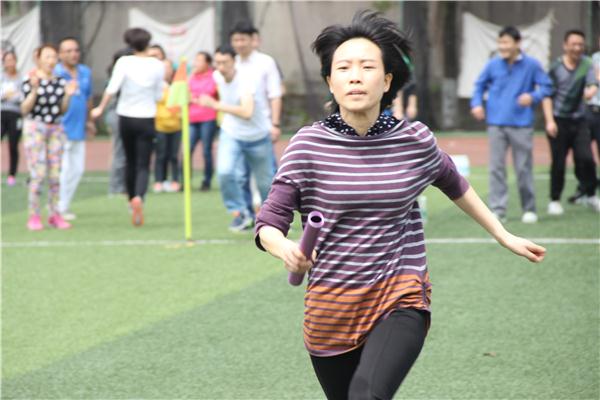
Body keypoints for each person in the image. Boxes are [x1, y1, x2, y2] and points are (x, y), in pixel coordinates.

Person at [254, 11, 546, 400]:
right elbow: (269, 222)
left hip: (399, 295)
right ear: (330, 82)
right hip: (330, 308)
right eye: (343, 68)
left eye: (367, 66)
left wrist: (502, 233)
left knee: (367, 394)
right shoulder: (306, 146)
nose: (355, 76)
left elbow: (454, 183)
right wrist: (285, 249)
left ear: (387, 80)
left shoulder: (414, 140)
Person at [471, 26, 553, 223]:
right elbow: (479, 86)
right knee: (496, 168)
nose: (502, 46)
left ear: (517, 43)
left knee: (523, 167)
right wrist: (476, 104)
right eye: (500, 42)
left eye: (506, 42)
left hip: (521, 124)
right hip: (496, 123)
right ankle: (498, 210)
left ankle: (529, 209)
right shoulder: (492, 65)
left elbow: (547, 86)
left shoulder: (532, 65)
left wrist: (533, 96)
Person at [90, 28, 164, 226]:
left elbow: (112, 88)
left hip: (126, 117)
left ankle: (131, 199)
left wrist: (100, 108)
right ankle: (139, 196)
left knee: (130, 160)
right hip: (147, 117)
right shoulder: (157, 65)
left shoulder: (124, 62)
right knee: (143, 163)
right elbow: (159, 95)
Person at [199, 45, 274, 232]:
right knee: (225, 172)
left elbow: (247, 112)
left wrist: (215, 105)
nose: (221, 67)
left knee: (266, 183)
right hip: (231, 133)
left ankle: (272, 219)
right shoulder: (217, 76)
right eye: (217, 63)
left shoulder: (247, 80)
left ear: (234, 62)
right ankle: (240, 213)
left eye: (225, 62)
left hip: (258, 136)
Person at [21, 44, 77, 230]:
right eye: (47, 57)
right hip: (35, 127)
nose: (51, 61)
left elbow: (62, 110)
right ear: (38, 59)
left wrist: (68, 96)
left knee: (55, 174)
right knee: (38, 173)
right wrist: (34, 89)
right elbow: (24, 109)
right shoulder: (30, 79)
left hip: (55, 128)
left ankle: (55, 214)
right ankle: (34, 215)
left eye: (53, 57)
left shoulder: (60, 82)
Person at [542, 29, 599, 215]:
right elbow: (547, 96)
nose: (577, 48)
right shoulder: (555, 67)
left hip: (580, 120)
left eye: (580, 44)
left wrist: (591, 90)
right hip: (559, 120)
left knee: (586, 159)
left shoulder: (587, 63)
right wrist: (549, 121)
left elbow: (592, 83)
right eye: (573, 44)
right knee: (558, 162)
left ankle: (590, 194)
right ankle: (555, 199)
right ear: (565, 45)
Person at [230, 21, 283, 218]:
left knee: (267, 176)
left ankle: (273, 215)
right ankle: (246, 216)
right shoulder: (231, 63)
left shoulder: (266, 62)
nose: (239, 44)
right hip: (236, 129)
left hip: (262, 128)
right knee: (239, 175)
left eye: (243, 39)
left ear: (253, 40)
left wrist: (275, 124)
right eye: (235, 40)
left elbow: (274, 94)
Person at [54, 37, 95, 220]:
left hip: (79, 127)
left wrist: (89, 121)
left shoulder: (85, 72)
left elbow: (88, 98)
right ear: (60, 54)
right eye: (68, 51)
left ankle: (64, 204)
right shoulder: (56, 73)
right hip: (61, 127)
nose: (73, 54)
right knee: (64, 169)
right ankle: (59, 206)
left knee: (78, 169)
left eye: (76, 50)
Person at [148, 44, 181, 193]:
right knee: (160, 155)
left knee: (174, 155)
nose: (166, 70)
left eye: (168, 67)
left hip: (176, 126)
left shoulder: (177, 86)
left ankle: (175, 180)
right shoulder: (156, 86)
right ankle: (159, 180)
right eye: (164, 67)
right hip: (160, 125)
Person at [188, 51, 218, 191]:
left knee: (206, 150)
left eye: (200, 60)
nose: (196, 63)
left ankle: (206, 180)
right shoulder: (191, 76)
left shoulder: (214, 76)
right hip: (192, 118)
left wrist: (198, 98)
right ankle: (185, 181)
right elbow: (186, 92)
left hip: (208, 118)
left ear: (207, 63)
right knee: (187, 150)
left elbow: (211, 93)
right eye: (196, 60)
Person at [106, 48, 132, 196]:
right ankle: (116, 188)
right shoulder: (117, 77)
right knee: (120, 152)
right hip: (118, 114)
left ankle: (126, 186)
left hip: (128, 114)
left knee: (128, 153)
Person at [1, 50, 22, 186]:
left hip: (15, 115)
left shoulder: (21, 78)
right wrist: (5, 95)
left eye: (12, 60)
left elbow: (21, 96)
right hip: (1, 113)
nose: (10, 63)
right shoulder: (1, 77)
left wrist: (13, 96)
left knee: (13, 145)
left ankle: (12, 175)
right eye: (7, 60)